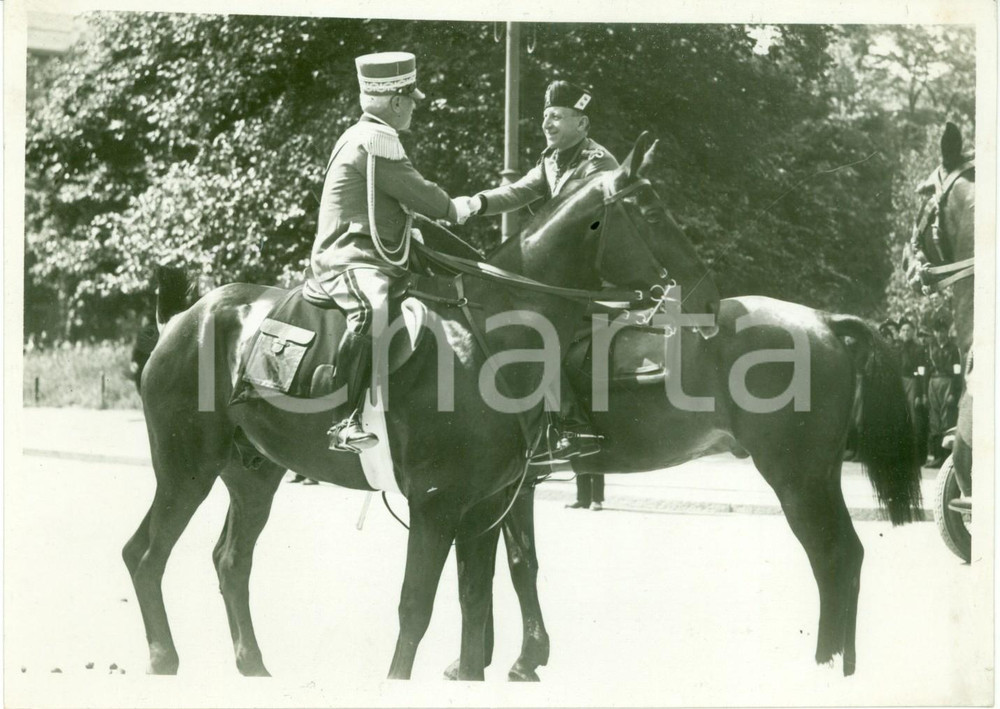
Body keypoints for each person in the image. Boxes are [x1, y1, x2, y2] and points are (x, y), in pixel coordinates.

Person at [302, 52, 471, 453]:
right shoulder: (375, 142)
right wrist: (456, 208)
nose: (414, 106)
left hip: (374, 251)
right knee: (370, 309)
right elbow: (421, 194)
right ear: (396, 101)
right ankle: (342, 419)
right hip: (349, 255)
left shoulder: (367, 136)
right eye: (411, 98)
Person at [454, 80, 619, 463]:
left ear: (582, 123)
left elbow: (598, 227)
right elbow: (519, 191)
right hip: (555, 276)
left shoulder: (599, 164)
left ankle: (572, 424)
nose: (547, 123)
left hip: (588, 274)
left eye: (557, 116)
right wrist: (475, 203)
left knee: (538, 335)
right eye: (545, 116)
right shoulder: (551, 159)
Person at [925, 319, 962, 468]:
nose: (940, 334)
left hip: (947, 382)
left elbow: (957, 373)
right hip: (933, 382)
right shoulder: (930, 348)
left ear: (947, 332)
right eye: (937, 331)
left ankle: (946, 459)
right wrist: (924, 391)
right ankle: (936, 457)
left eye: (943, 331)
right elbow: (926, 370)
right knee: (934, 419)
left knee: (947, 419)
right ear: (934, 333)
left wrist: (954, 391)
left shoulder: (953, 349)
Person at [897, 318, 928, 463]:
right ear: (899, 332)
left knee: (914, 419)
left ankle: (917, 456)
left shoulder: (919, 349)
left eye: (908, 330)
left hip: (914, 383)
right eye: (903, 330)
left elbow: (922, 372)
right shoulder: (897, 348)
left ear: (913, 332)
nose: (905, 333)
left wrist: (920, 393)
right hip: (900, 383)